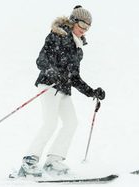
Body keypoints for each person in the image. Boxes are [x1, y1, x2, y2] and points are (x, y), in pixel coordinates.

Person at [18, 5, 105, 177]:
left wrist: (92, 92)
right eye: (82, 25)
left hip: (63, 89)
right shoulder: (57, 36)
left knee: (71, 122)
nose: (84, 30)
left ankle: (53, 161)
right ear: (73, 22)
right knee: (50, 123)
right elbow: (41, 60)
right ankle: (29, 162)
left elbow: (74, 78)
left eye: (88, 27)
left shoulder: (77, 47)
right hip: (49, 85)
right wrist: (53, 73)